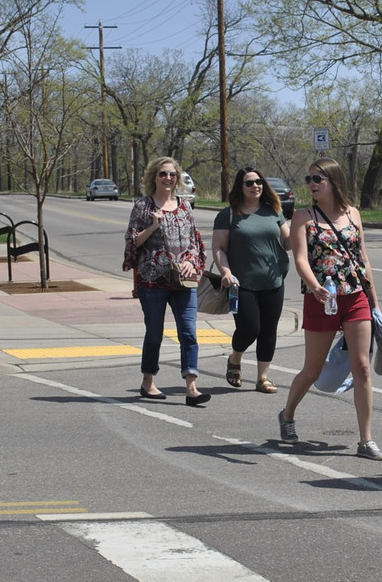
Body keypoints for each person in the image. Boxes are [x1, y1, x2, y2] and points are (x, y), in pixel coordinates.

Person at [277, 157, 382, 460]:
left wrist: (374, 303)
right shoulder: (303, 216)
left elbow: (362, 258)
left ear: (333, 181)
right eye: (309, 179)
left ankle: (366, 440)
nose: (311, 184)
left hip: (354, 295)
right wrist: (314, 286)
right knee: (313, 369)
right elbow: (299, 258)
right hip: (322, 298)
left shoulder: (353, 214)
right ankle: (287, 414)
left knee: (362, 367)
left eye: (317, 179)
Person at [122, 156, 210, 406]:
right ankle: (148, 381)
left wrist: (191, 261)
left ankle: (191, 386)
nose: (168, 179)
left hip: (183, 281)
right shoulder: (143, 206)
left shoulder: (185, 206)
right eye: (163, 174)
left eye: (172, 174)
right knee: (154, 333)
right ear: (154, 177)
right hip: (152, 280)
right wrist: (152, 226)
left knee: (189, 332)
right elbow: (132, 241)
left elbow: (195, 242)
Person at [212, 167, 291, 394]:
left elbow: (286, 243)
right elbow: (218, 248)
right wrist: (226, 272)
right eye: (249, 183)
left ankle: (262, 378)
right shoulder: (228, 215)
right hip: (240, 283)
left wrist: (297, 236)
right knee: (249, 328)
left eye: (259, 181)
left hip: (274, 280)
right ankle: (235, 357)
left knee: (268, 330)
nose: (255, 186)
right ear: (241, 187)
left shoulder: (274, 211)